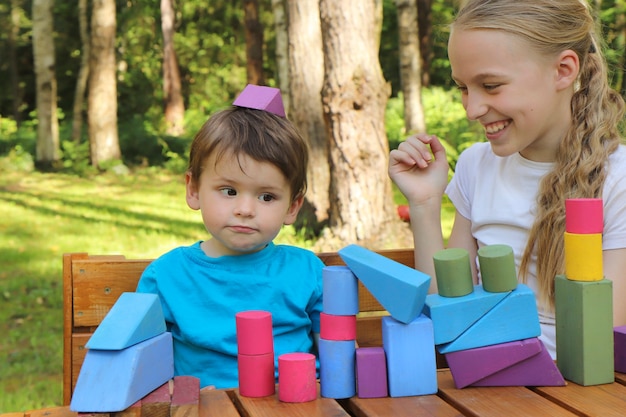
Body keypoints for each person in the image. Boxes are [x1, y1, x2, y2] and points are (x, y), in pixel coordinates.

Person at [388, 0, 626, 358]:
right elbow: (447, 311)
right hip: (491, 383)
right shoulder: (474, 166)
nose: (472, 110)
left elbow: (602, 338)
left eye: (491, 85)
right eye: (463, 88)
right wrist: (423, 203)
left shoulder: (617, 179)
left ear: (563, 70)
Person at [137, 85, 324, 389]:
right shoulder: (167, 276)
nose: (245, 209)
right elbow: (141, 367)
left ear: (292, 207)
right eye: (229, 191)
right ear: (194, 189)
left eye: (267, 196)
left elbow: (341, 360)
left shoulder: (307, 271)